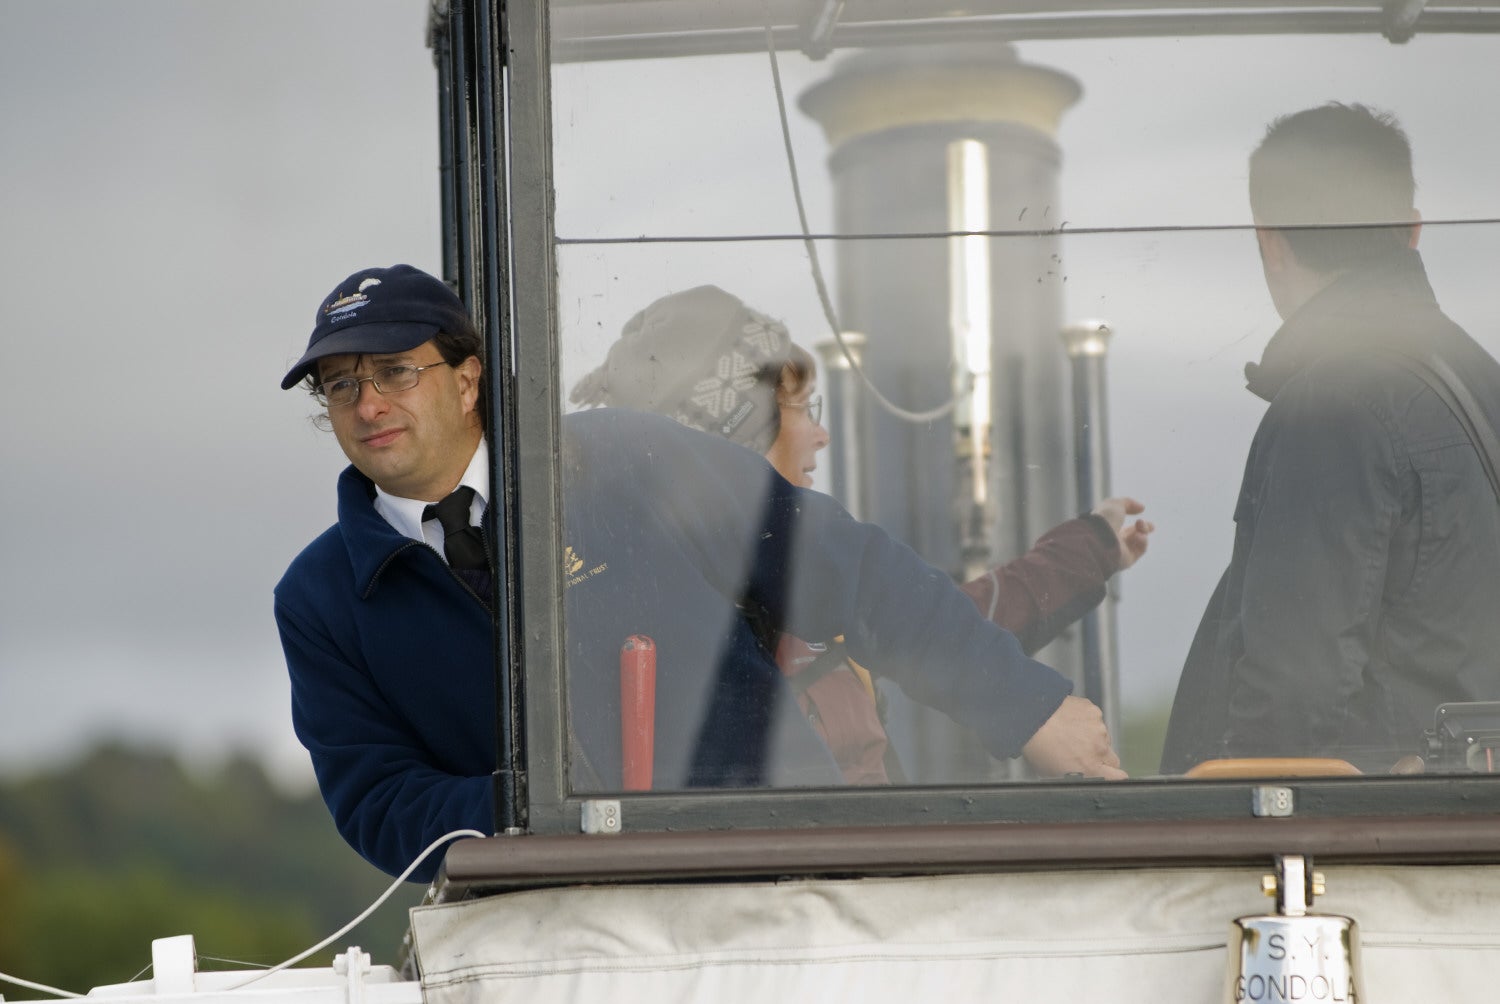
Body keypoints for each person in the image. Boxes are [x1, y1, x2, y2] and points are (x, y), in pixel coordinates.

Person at [274, 264, 1124, 883]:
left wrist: (1028, 705)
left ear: (468, 381)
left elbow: (857, 575)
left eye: (394, 372)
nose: (367, 405)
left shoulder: (624, 459)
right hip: (549, 939)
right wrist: (540, 814)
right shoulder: (318, 600)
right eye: (339, 386)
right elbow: (377, 799)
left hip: (781, 884)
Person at [570, 284, 1153, 782]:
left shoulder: (820, 606)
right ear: (736, 439)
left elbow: (952, 623)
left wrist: (1091, 548)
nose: (821, 435)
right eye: (802, 407)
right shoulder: (710, 634)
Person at [1160, 103, 1500, 774]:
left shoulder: (1332, 404)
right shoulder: (1481, 379)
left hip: (1369, 854)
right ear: (1411, 230)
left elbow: (1293, 692)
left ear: (1271, 245)